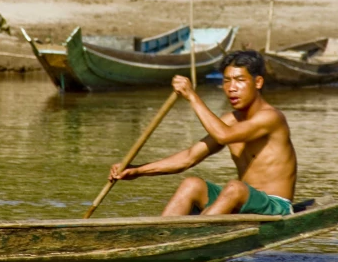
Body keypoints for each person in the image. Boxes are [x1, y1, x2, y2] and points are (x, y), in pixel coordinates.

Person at [109, 50, 297, 216]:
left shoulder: (271, 118)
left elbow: (224, 135)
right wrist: (137, 170)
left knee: (235, 187)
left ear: (258, 82)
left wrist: (191, 96)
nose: (231, 88)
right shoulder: (229, 121)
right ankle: (159, 236)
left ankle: (195, 236)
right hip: (241, 201)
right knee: (191, 184)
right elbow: (189, 158)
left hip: (275, 205)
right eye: (226, 81)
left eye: (240, 80)